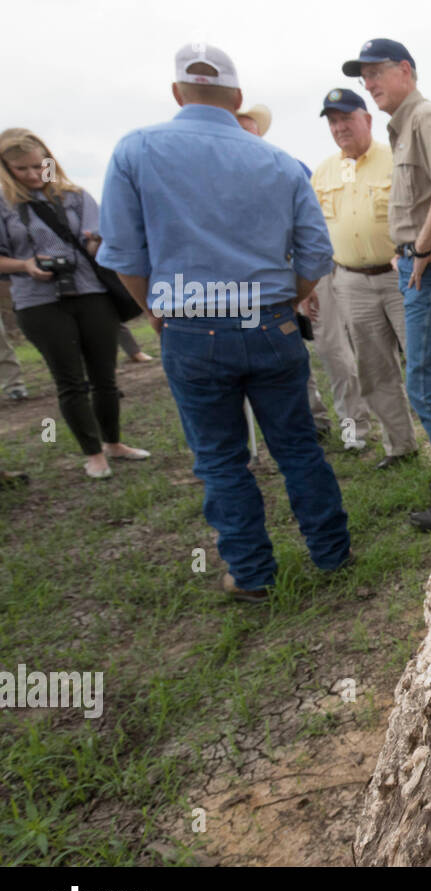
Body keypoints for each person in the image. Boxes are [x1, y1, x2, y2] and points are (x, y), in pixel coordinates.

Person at [97, 43, 350, 602]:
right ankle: (332, 553)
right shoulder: (281, 162)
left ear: (176, 92)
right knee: (299, 446)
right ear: (237, 98)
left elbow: (124, 255)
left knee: (219, 458)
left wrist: (156, 314)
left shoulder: (136, 150)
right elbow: (315, 255)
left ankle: (253, 574)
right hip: (271, 324)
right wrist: (286, 301)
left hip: (190, 326)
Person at [344, 38, 431, 530]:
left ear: (406, 70)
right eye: (364, 77)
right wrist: (409, 248)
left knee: (425, 384)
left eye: (377, 72)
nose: (369, 84)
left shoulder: (424, 118)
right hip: (427, 262)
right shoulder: (407, 125)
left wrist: (421, 248)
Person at [0, 128, 150, 479]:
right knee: (69, 380)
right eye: (22, 169)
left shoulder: (74, 197)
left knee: (105, 376)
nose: (34, 174)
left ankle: (114, 443)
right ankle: (93, 454)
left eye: (40, 165)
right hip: (38, 301)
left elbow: (103, 245)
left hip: (90, 292)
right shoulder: (5, 206)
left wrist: (97, 242)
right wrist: (25, 265)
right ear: (6, 169)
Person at [234, 100, 363, 444]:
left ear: (258, 132)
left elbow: (316, 228)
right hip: (259, 284)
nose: (243, 135)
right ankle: (313, 421)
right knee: (287, 357)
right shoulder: (221, 181)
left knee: (334, 352)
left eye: (249, 127)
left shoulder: (288, 168)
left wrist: (309, 284)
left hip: (309, 274)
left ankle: (354, 429)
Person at [308, 88, 418, 469]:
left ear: (366, 119)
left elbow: (421, 210)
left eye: (346, 119)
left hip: (399, 275)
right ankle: (400, 446)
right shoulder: (322, 173)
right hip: (350, 282)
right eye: (333, 122)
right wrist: (308, 284)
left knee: (423, 361)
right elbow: (313, 233)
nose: (340, 128)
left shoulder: (395, 158)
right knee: (373, 368)